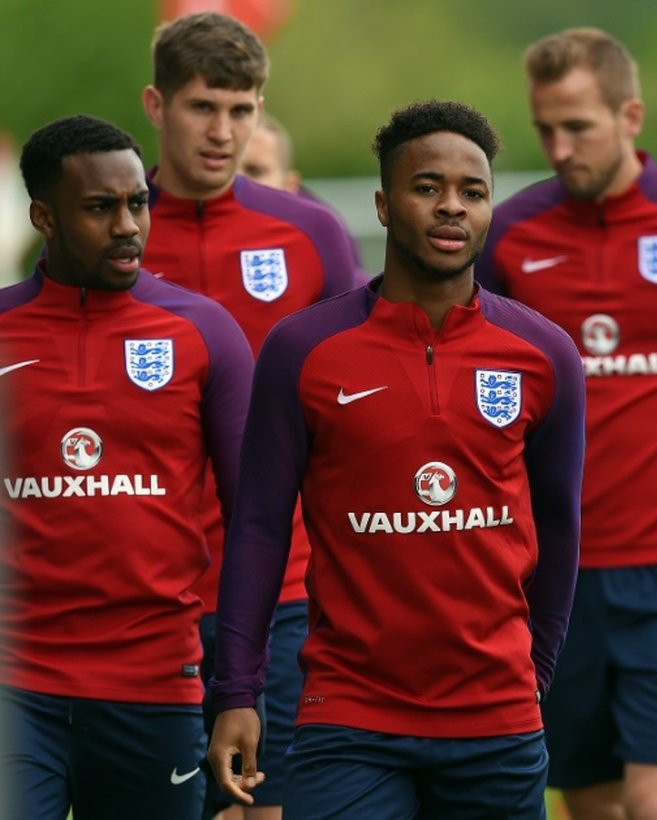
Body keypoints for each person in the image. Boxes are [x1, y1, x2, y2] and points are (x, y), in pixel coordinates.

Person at [206, 99, 586, 819]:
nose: (452, 208)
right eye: (427, 188)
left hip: (496, 719)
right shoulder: (303, 350)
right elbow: (258, 526)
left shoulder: (544, 354)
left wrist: (536, 666)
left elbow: (561, 528)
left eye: (472, 192)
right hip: (350, 716)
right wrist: (237, 690)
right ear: (383, 204)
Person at [475, 27, 657, 820]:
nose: (560, 146)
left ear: (630, 114)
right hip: (551, 573)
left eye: (579, 126)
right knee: (594, 799)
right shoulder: (509, 236)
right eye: (545, 129)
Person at [138, 13, 361, 818]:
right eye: (204, 108)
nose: (224, 131)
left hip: (287, 589)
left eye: (244, 110)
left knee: (269, 810)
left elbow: (365, 394)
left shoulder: (309, 234)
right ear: (156, 106)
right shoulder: (108, 231)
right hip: (143, 596)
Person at [0, 114, 253, 820]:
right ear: (44, 217)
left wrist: (239, 687)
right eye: (99, 208)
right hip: (15, 686)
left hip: (155, 682)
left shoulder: (205, 332)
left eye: (137, 203)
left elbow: (256, 524)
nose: (127, 226)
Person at [238, 112, 367, 283]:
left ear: (290, 185)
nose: (237, 181)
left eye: (255, 171)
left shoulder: (324, 248)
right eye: (226, 170)